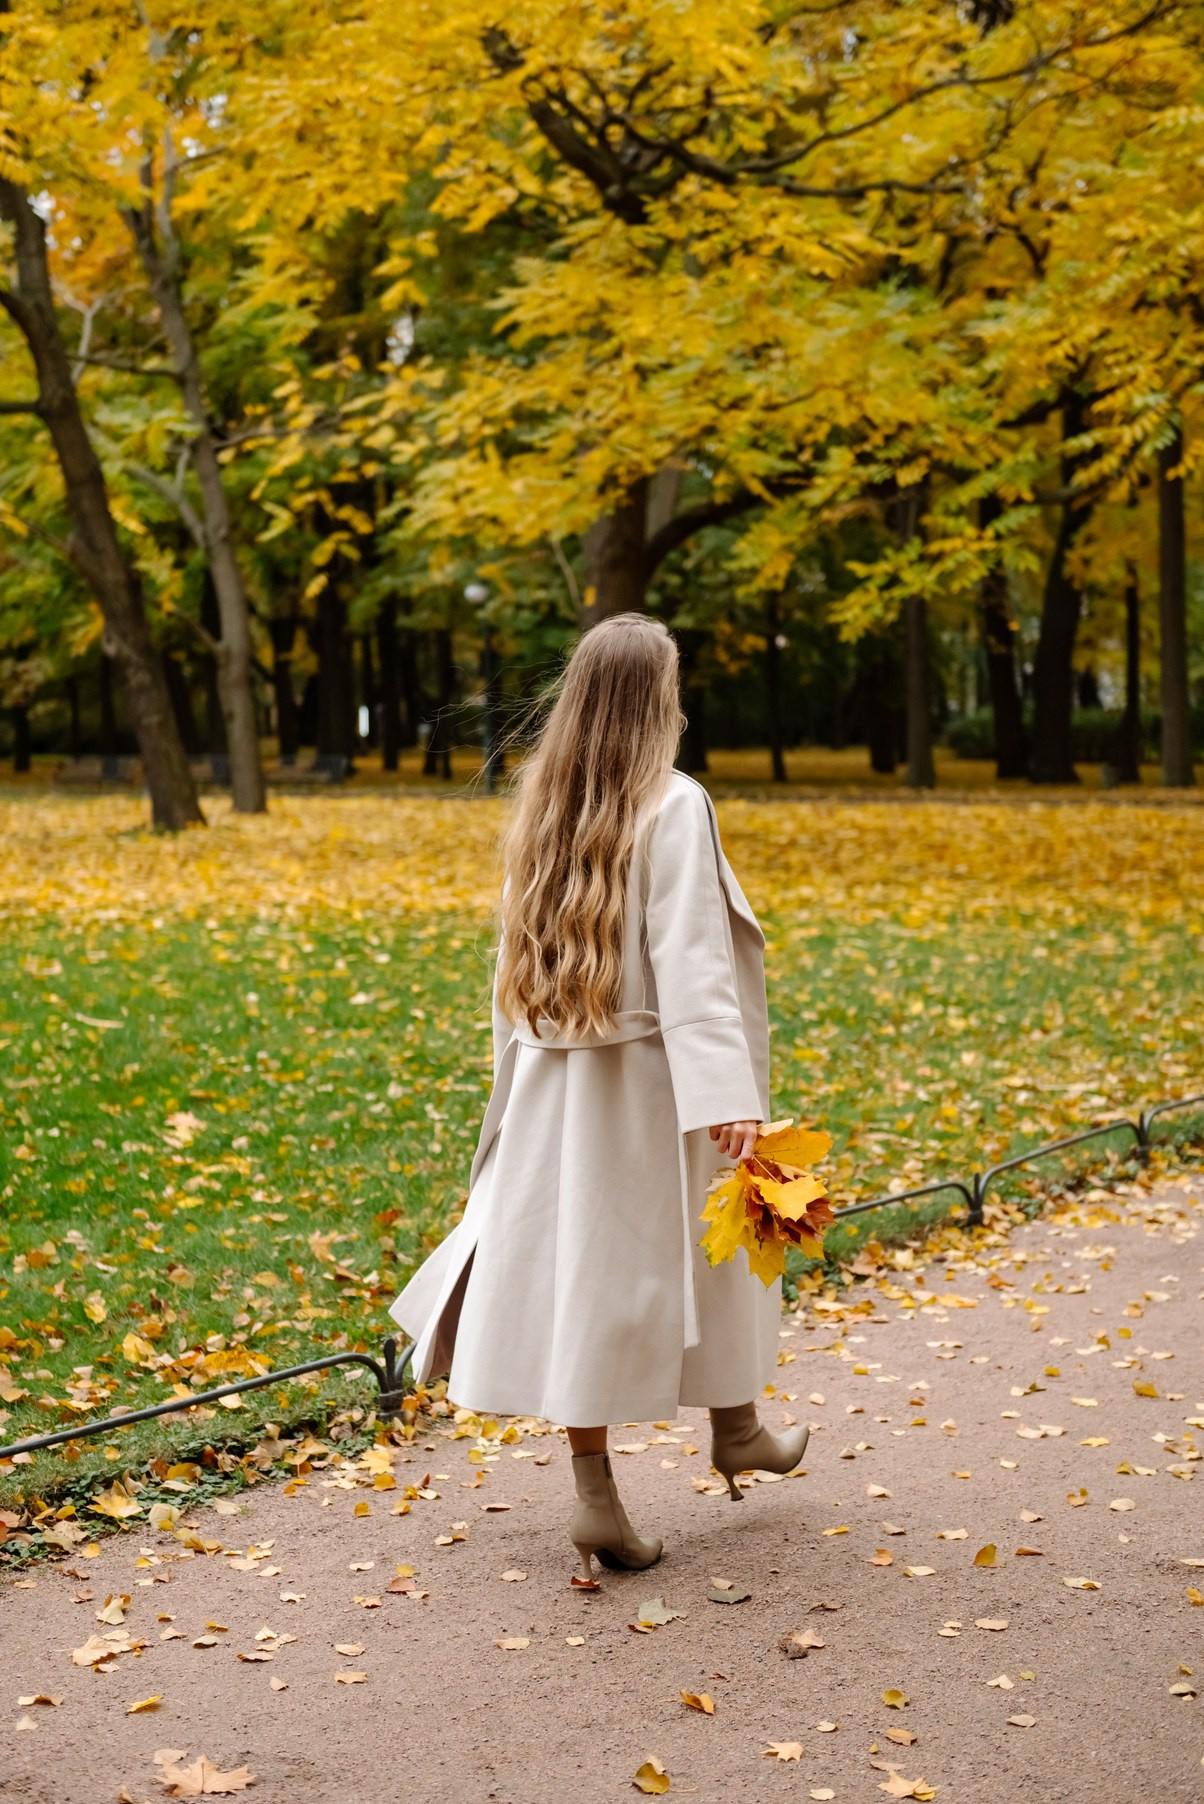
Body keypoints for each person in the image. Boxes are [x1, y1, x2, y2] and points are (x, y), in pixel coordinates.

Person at [387, 614, 809, 1579]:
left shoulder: (546, 799)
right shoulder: (674, 802)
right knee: (713, 1238)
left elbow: (509, 966)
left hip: (554, 1086)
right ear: (656, 701)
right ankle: (722, 1431)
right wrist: (725, 1092)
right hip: (653, 1085)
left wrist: (512, 1088)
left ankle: (620, 1484)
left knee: (593, 1280)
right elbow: (693, 961)